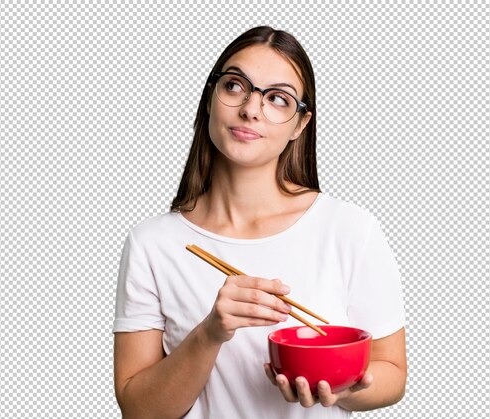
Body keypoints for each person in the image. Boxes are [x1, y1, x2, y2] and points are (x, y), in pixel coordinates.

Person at [112, 26, 407, 419]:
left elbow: (393, 375)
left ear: (300, 125)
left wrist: (336, 388)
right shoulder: (153, 243)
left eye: (277, 99)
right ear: (211, 98)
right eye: (235, 86)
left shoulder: (350, 230)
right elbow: (138, 409)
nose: (251, 108)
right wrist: (210, 332)